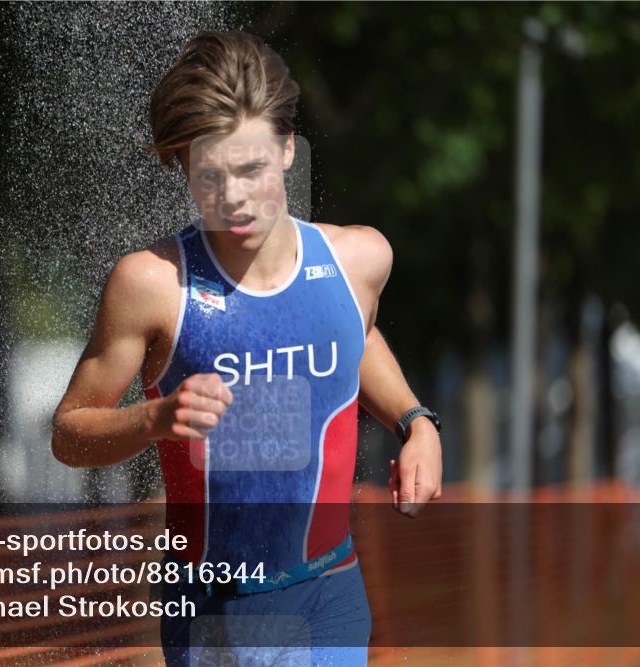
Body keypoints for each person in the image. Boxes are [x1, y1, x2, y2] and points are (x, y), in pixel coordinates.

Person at [52, 29, 443, 666]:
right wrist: (154, 418)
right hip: (214, 614)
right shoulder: (151, 284)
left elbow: (355, 334)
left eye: (251, 169)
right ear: (181, 165)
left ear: (289, 149)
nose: (232, 197)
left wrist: (415, 421)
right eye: (209, 175)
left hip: (330, 591)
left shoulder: (359, 260)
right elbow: (68, 435)